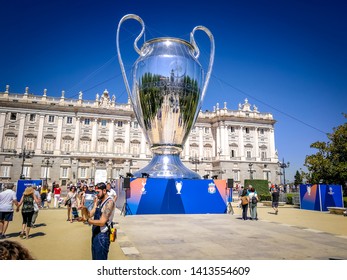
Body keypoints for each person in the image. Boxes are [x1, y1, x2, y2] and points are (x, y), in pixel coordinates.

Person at [79, 182, 115, 260]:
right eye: (95, 192)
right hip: (95, 233)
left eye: (98, 192)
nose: (96, 194)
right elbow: (90, 214)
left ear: (104, 191)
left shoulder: (110, 202)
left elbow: (102, 222)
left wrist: (87, 220)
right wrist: (84, 208)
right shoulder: (98, 201)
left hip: (103, 235)